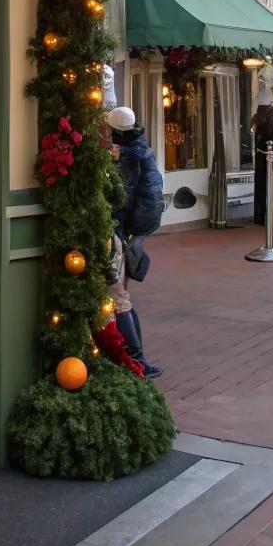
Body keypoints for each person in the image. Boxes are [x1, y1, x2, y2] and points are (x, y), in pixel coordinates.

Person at [106, 106, 164, 376]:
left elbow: (120, 197)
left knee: (119, 298)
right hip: (131, 231)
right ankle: (135, 358)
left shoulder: (125, 158)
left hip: (119, 232)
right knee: (121, 296)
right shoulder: (141, 150)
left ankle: (137, 360)